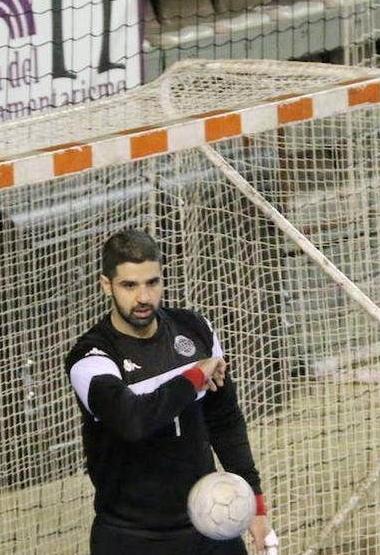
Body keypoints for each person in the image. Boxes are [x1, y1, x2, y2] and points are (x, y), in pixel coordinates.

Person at [65, 229, 276, 555]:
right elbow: (133, 421)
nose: (144, 298)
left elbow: (225, 422)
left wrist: (255, 507)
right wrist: (194, 375)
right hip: (131, 539)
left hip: (210, 526)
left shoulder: (195, 330)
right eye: (129, 285)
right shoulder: (91, 358)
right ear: (106, 285)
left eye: (152, 283)